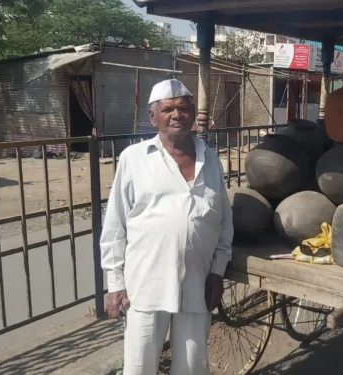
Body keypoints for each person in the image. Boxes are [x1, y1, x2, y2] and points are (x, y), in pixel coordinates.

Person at [100, 79, 233, 375]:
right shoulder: (133, 159)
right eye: (168, 109)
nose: (177, 115)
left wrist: (217, 271)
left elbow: (223, 220)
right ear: (152, 117)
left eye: (183, 108)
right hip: (146, 285)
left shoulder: (210, 160)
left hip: (197, 283)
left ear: (193, 114)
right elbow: (115, 225)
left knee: (193, 366)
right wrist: (115, 284)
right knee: (139, 366)